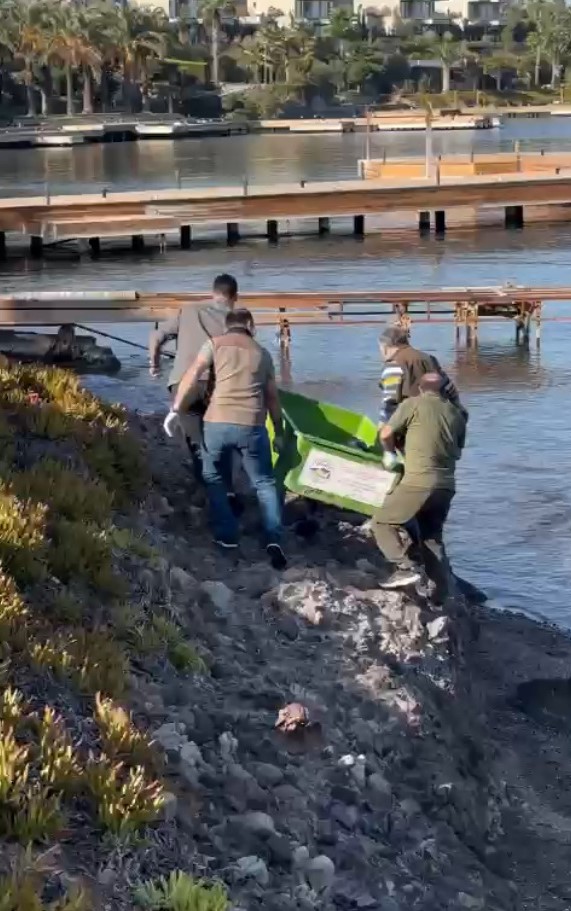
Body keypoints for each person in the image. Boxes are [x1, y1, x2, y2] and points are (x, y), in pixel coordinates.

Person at [164, 308, 287, 570]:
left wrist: (176, 409)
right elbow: (273, 398)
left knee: (213, 476)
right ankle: (273, 538)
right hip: (252, 425)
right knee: (264, 482)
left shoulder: (214, 344)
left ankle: (227, 534)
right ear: (250, 325)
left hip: (217, 423)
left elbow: (192, 375)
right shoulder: (262, 354)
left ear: (226, 325)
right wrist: (279, 432)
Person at [373, 372, 467, 595]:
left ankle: (405, 567)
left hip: (418, 481)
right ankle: (440, 593)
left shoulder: (412, 404)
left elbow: (386, 433)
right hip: (446, 485)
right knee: (431, 537)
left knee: (383, 522)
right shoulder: (458, 414)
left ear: (420, 389)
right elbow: (458, 449)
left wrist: (389, 454)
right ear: (445, 389)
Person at [149, 273, 238, 481]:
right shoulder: (235, 320)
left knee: (197, 443)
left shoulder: (188, 310)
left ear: (212, 293)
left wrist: (154, 363)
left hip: (183, 385)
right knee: (221, 441)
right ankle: (226, 493)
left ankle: (205, 487)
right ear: (235, 297)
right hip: (216, 386)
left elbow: (156, 336)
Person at [378, 325, 464, 426]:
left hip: (410, 427)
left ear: (385, 348)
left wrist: (381, 430)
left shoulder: (393, 365)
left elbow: (389, 403)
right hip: (439, 424)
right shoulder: (429, 359)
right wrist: (460, 416)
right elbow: (450, 391)